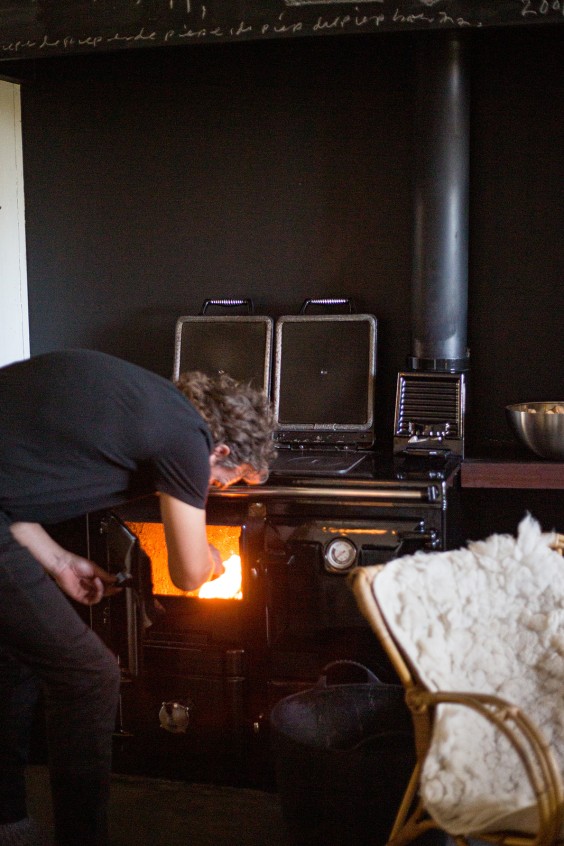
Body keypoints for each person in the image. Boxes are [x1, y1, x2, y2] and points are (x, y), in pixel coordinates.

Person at [0, 348, 276, 846]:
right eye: (226, 482)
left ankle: (6, 819)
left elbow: (12, 488)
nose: (211, 490)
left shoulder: (146, 402)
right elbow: (189, 573)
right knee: (90, 676)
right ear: (220, 452)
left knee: (15, 655)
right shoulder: (187, 436)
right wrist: (214, 561)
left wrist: (61, 562)